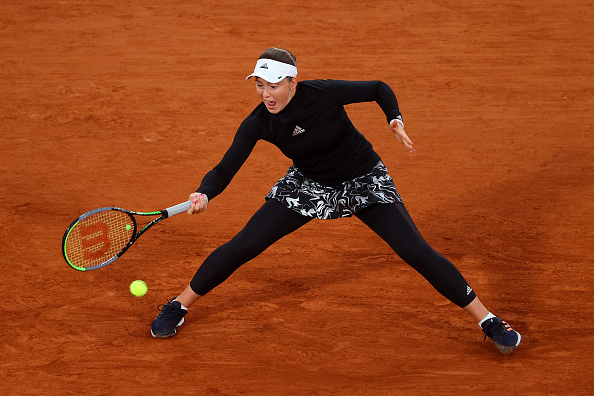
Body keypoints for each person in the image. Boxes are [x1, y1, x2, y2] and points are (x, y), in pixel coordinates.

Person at [150, 47, 521, 355]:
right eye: (260, 85)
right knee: (243, 245)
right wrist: (204, 191)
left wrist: (394, 120)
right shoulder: (259, 123)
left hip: (362, 178)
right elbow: (225, 168)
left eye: (275, 85)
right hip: (309, 184)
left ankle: (486, 319)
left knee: (416, 251)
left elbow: (378, 88)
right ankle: (178, 305)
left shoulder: (323, 94)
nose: (266, 93)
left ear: (293, 82)